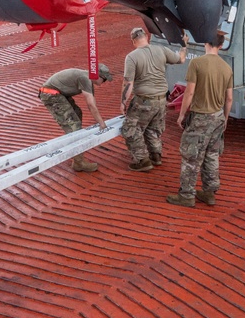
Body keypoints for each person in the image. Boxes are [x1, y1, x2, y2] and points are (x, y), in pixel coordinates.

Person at [167, 30, 233, 208]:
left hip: (200, 117)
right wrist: (225, 118)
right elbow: (229, 98)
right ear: (220, 45)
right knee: (212, 155)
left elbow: (189, 92)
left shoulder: (197, 63)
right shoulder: (227, 67)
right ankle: (209, 193)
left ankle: (187, 195)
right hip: (218, 116)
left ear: (206, 43)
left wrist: (181, 114)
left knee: (191, 157)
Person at [121, 27, 186, 171]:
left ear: (133, 41)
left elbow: (128, 83)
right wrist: (184, 46)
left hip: (144, 100)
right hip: (162, 100)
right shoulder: (161, 49)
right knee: (153, 129)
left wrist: (123, 102)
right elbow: (181, 60)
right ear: (147, 37)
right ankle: (156, 156)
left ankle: (142, 160)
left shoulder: (132, 57)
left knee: (130, 129)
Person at [38, 64, 113, 172]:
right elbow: (91, 105)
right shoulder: (85, 78)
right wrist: (102, 124)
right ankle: (79, 162)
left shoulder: (87, 78)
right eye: (104, 79)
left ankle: (75, 146)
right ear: (97, 76)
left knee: (77, 113)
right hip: (50, 94)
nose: (104, 82)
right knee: (73, 126)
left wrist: (100, 121)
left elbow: (92, 101)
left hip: (59, 94)